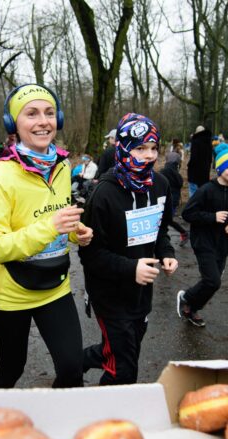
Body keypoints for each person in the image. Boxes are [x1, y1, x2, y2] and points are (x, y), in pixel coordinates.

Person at [0, 83, 93, 389]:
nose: (43, 121)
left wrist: (74, 233)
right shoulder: (1, 176)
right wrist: (50, 227)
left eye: (49, 113)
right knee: (12, 366)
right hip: (10, 293)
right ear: (13, 124)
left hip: (54, 286)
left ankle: (59, 427)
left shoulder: (62, 165)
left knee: (71, 370)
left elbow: (57, 217)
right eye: (31, 113)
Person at [79, 113, 177, 385]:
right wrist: (130, 267)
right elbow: (89, 254)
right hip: (109, 296)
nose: (148, 155)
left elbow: (160, 232)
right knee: (123, 372)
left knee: (125, 350)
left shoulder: (161, 185)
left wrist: (167, 254)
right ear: (122, 148)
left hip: (141, 295)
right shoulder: (103, 194)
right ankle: (109, 420)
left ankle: (77, 361)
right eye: (139, 148)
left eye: (153, 148)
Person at [177, 146, 228, 327]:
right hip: (203, 242)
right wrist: (213, 217)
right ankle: (186, 297)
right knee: (213, 280)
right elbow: (187, 214)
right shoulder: (206, 190)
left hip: (223, 245)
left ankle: (191, 308)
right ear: (219, 168)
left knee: (212, 282)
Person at [160, 145, 189, 247]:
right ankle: (183, 233)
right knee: (167, 220)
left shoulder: (162, 172)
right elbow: (180, 184)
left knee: (166, 220)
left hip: (164, 201)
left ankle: (183, 233)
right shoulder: (177, 175)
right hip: (174, 201)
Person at [186, 125, 213, 196]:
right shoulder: (209, 142)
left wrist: (189, 165)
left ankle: (194, 206)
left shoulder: (195, 141)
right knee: (203, 192)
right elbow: (210, 158)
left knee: (193, 193)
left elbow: (193, 158)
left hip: (195, 172)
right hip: (205, 171)